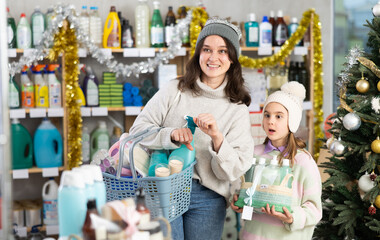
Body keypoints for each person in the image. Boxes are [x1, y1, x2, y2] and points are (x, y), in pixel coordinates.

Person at [129, 17, 254, 240]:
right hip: (165, 189)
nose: (213, 57)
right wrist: (170, 135)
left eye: (223, 51)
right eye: (207, 49)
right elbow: (138, 131)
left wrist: (217, 137)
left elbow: (233, 170)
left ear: (233, 59)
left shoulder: (237, 109)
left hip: (209, 197)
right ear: (198, 54)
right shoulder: (174, 90)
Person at [230, 81, 322, 240]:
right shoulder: (254, 153)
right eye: (267, 115)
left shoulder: (303, 161)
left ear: (291, 121)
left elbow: (314, 209)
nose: (271, 121)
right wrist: (240, 201)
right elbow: (248, 192)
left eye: (279, 116)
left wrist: (291, 217)